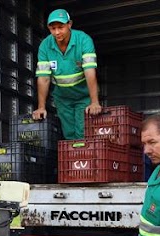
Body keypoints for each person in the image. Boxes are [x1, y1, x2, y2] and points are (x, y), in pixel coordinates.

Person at [32, 9, 102, 139]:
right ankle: (74, 159)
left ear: (69, 24)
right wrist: (41, 107)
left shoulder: (83, 40)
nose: (57, 32)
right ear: (48, 28)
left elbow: (90, 72)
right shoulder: (45, 46)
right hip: (62, 98)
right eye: (53, 28)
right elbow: (43, 78)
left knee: (82, 132)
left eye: (61, 27)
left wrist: (94, 102)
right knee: (69, 134)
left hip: (84, 95)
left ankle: (85, 159)